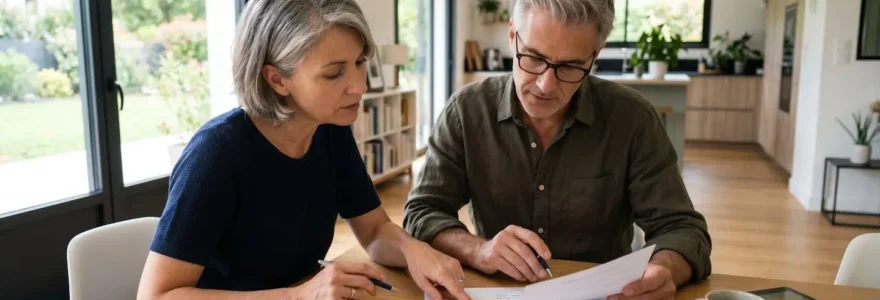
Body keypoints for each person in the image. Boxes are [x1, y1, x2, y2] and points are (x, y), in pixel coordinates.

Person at [136, 1, 472, 300]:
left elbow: (373, 231)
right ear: (277, 79)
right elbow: (157, 294)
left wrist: (414, 249)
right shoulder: (216, 156)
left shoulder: (329, 130)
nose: (359, 85)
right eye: (334, 73)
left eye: (359, 62)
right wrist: (298, 295)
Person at [403, 0, 712, 299]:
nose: (545, 86)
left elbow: (682, 229)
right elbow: (422, 212)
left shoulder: (633, 119)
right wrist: (478, 250)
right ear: (513, 35)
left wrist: (665, 270)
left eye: (570, 66)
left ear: (595, 54)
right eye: (533, 58)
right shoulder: (466, 112)